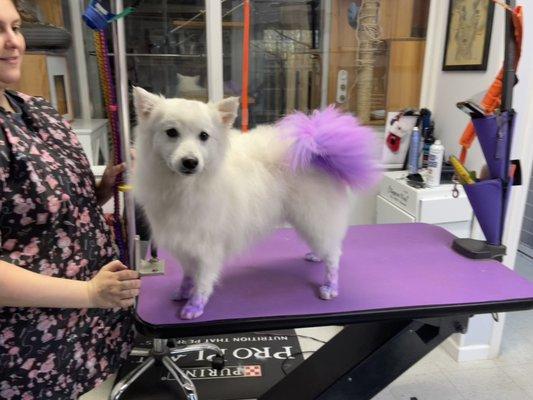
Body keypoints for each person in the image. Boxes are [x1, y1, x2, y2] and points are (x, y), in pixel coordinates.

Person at [0, 0, 141, 398]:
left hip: (91, 325)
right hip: (33, 345)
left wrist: (101, 189)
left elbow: (47, 210)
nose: (13, 43)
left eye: (15, 27)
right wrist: (89, 294)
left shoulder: (36, 108)